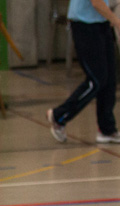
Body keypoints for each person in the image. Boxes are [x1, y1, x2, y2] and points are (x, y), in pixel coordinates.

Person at [47, 0, 120, 144]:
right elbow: (97, 3)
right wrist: (116, 21)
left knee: (110, 80)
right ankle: (59, 116)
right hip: (85, 27)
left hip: (101, 24)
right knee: (96, 80)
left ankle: (107, 129)